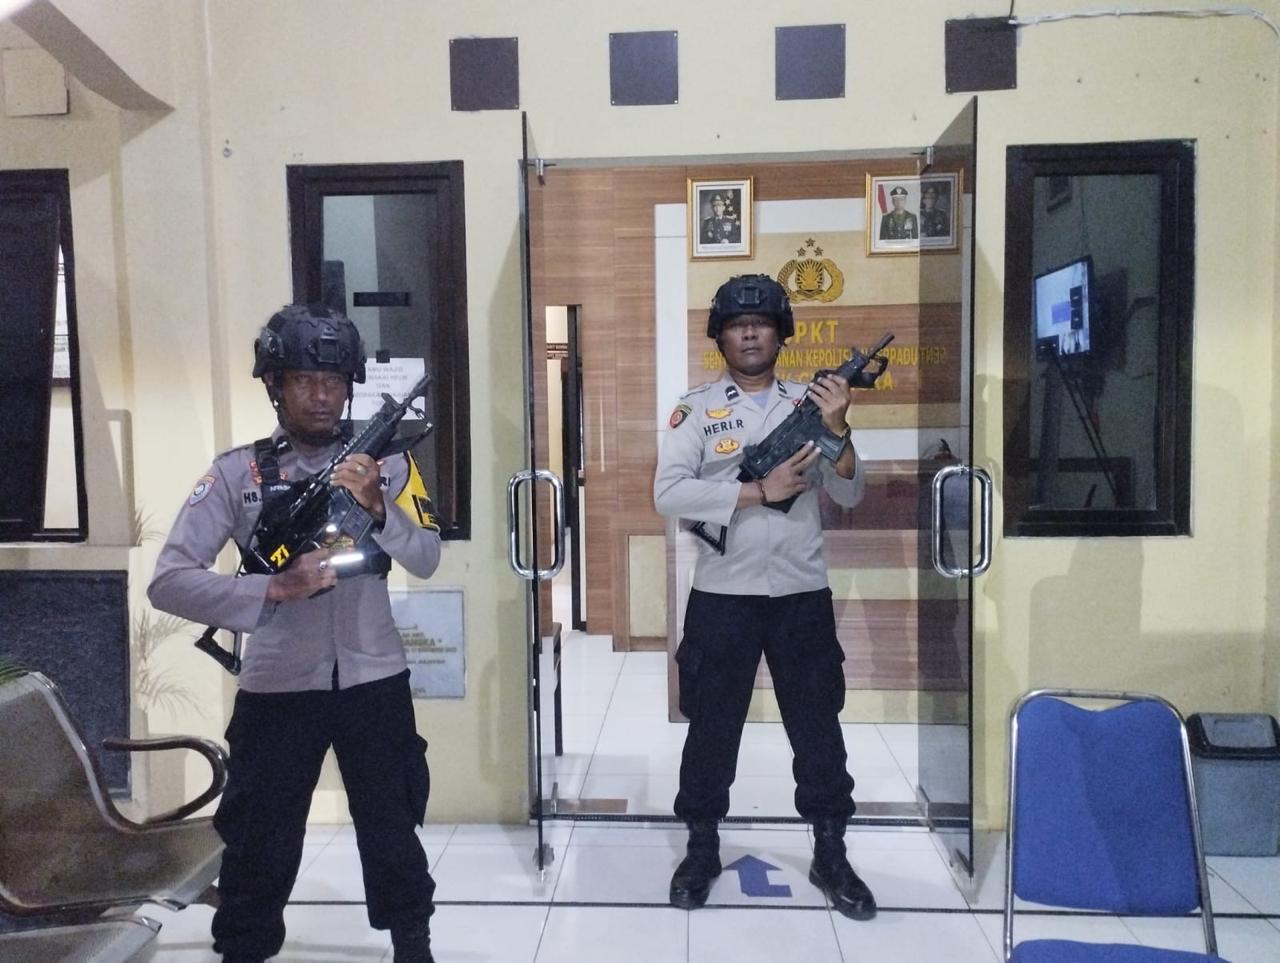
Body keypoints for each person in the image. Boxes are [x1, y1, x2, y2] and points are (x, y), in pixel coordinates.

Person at [148, 304, 441, 963]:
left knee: (392, 828)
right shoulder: (237, 474)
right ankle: (244, 948)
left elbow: (426, 557)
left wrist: (379, 509)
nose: (321, 394)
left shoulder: (387, 467)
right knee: (260, 839)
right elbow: (168, 582)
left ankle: (412, 941)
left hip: (374, 678)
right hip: (277, 687)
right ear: (275, 385)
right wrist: (272, 589)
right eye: (304, 379)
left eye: (333, 380)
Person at [653, 274, 877, 921]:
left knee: (817, 727)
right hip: (723, 596)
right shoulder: (697, 410)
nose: (750, 332)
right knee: (712, 728)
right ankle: (701, 849)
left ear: (781, 333)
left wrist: (839, 426)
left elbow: (852, 492)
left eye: (761, 322)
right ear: (720, 336)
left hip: (801, 593)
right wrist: (756, 491)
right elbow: (668, 493)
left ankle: (830, 851)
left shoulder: (810, 403)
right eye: (737, 323)